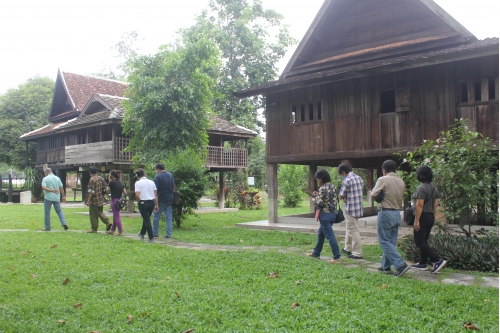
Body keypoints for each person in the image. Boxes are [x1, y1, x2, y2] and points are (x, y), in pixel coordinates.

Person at [370, 160, 409, 277]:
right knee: (391, 241)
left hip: (385, 212)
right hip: (397, 213)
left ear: (384, 170)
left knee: (384, 241)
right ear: (395, 170)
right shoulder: (401, 182)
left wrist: (371, 193)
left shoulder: (383, 179)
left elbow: (373, 196)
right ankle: (385, 266)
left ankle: (400, 264)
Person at [411, 166, 447, 273]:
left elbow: (419, 205)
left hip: (422, 216)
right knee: (424, 240)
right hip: (430, 216)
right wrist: (432, 216)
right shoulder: (434, 188)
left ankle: (436, 260)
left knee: (419, 241)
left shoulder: (421, 188)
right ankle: (423, 262)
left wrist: (417, 220)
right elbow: (436, 205)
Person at [307, 169, 341, 264]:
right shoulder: (333, 187)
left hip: (324, 215)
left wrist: (314, 200)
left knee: (330, 236)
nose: (317, 181)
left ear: (321, 179)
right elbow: (329, 198)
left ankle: (337, 257)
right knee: (321, 234)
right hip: (333, 214)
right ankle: (316, 253)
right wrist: (318, 195)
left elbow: (320, 204)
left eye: (318, 179)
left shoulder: (322, 188)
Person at [338, 164, 364, 259]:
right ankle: (347, 247)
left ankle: (357, 253)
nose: (342, 176)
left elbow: (341, 195)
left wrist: (344, 196)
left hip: (350, 208)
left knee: (353, 230)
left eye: (342, 174)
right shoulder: (359, 178)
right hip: (358, 207)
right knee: (349, 227)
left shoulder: (347, 180)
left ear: (344, 172)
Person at [152, 163, 176, 238]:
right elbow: (174, 187)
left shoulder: (157, 177)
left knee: (156, 216)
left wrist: (155, 202)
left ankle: (155, 232)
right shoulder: (170, 175)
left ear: (158, 169)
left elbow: (155, 190)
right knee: (169, 217)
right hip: (170, 199)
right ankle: (169, 234)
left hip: (161, 199)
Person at [134, 168, 158, 242]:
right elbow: (155, 194)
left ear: (138, 176)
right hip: (151, 202)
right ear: (145, 174)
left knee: (147, 220)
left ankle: (151, 237)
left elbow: (137, 195)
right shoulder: (151, 182)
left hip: (143, 202)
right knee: (146, 218)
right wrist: (156, 204)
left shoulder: (138, 183)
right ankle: (142, 233)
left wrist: (139, 202)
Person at [86, 165, 112, 233]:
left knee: (93, 215)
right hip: (101, 198)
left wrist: (88, 200)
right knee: (100, 212)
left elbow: (91, 191)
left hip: (94, 200)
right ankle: (108, 222)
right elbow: (105, 187)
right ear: (96, 171)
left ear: (89, 172)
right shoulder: (101, 178)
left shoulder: (92, 180)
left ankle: (94, 229)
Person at [106, 170, 127, 236]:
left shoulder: (111, 183)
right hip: (119, 201)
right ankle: (112, 230)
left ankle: (120, 231)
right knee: (115, 215)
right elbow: (125, 193)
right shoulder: (121, 183)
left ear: (111, 176)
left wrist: (109, 182)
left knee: (117, 216)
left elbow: (107, 191)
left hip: (114, 200)